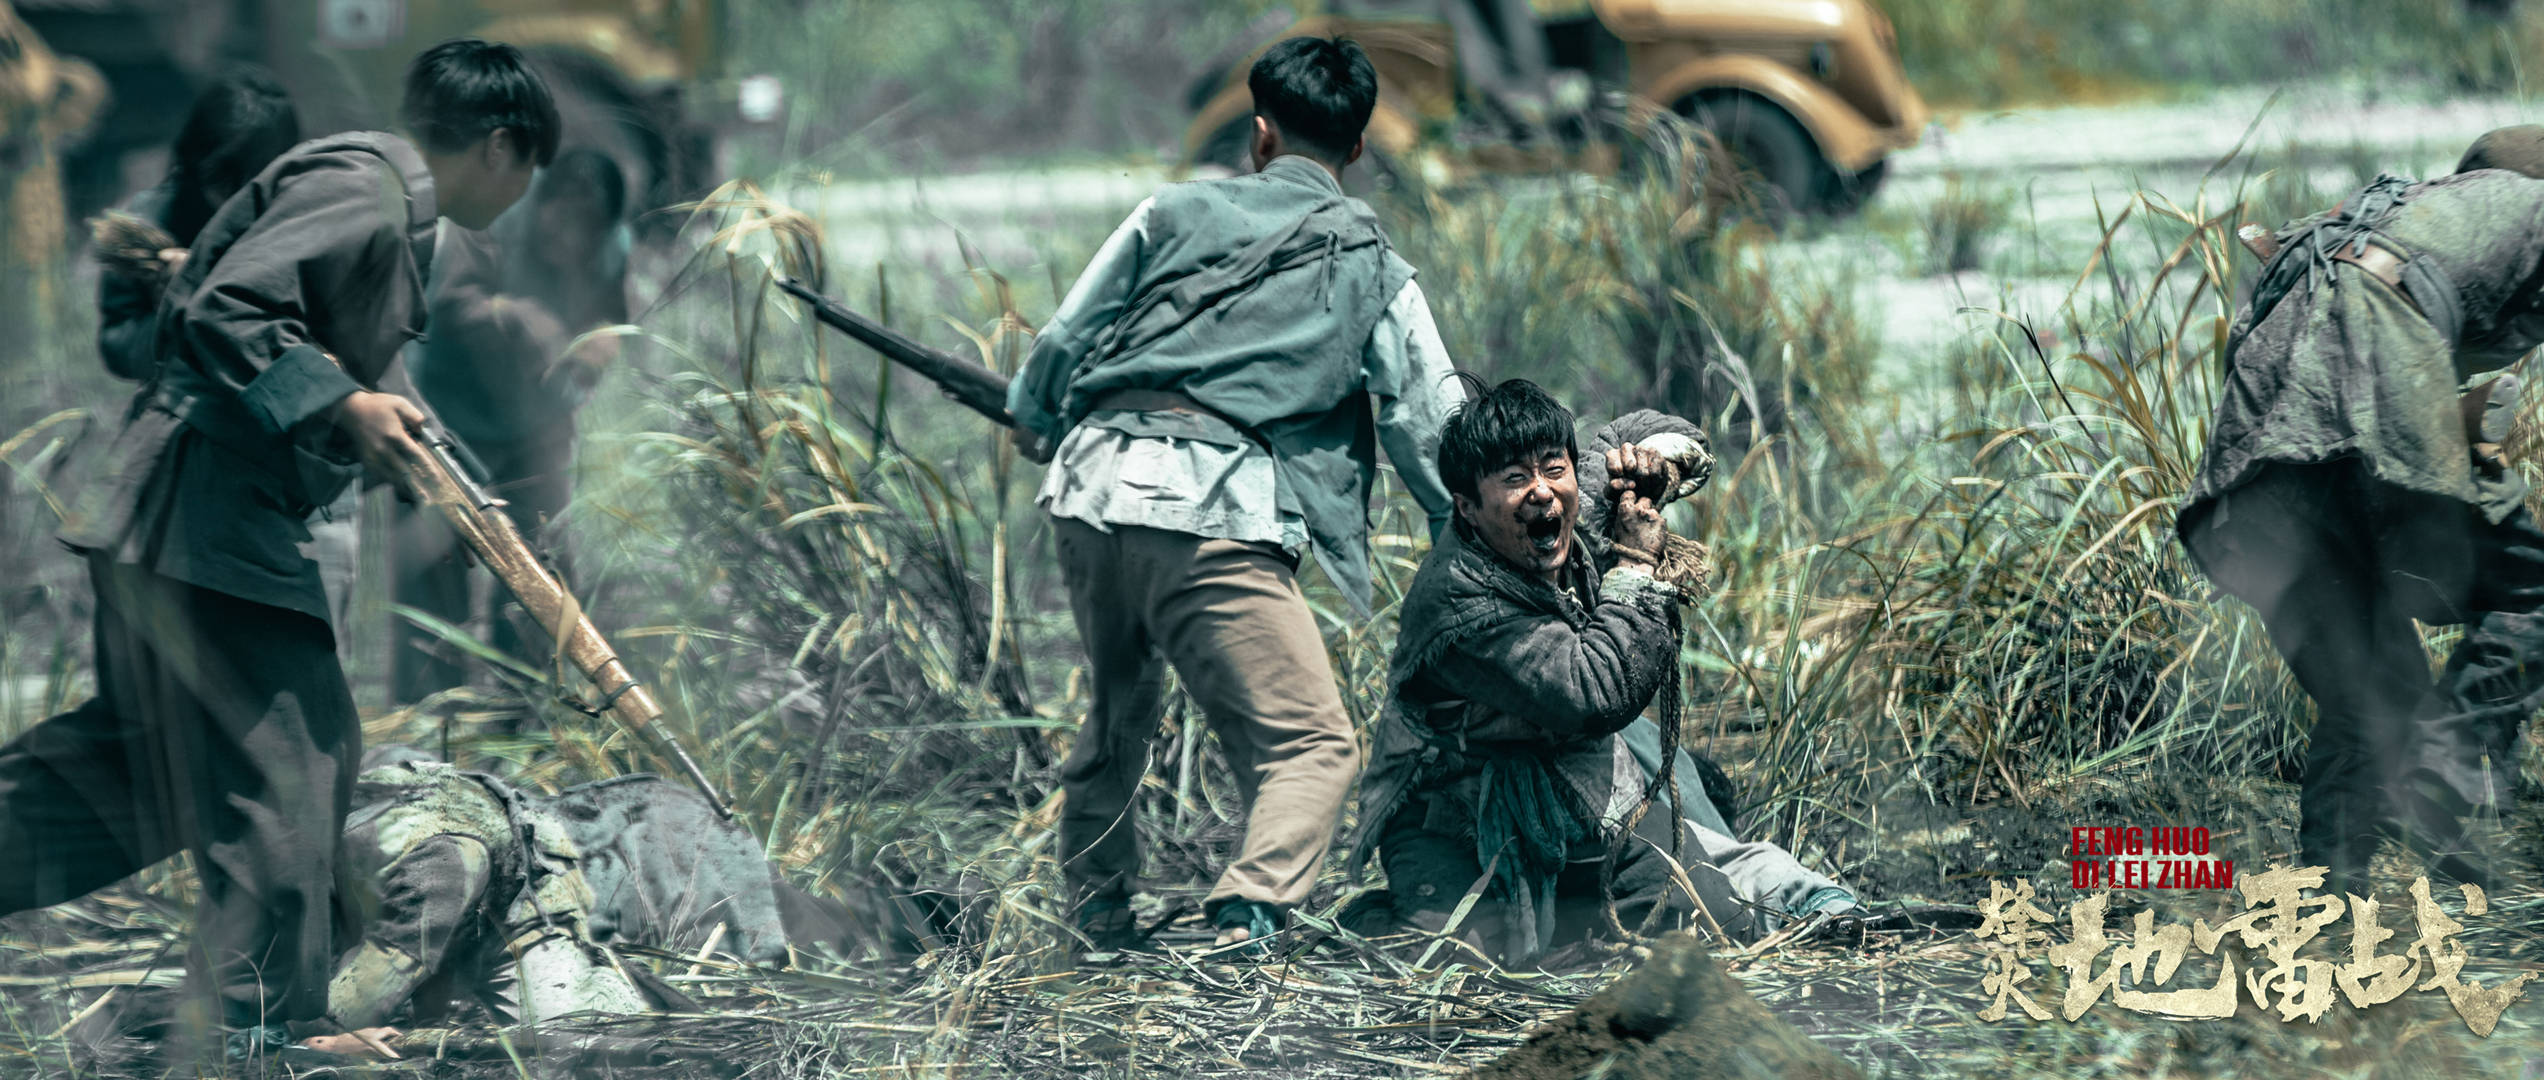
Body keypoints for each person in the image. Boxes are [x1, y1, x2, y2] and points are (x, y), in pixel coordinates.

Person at [0, 38, 557, 1067]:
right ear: (499, 145)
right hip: (207, 525)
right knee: (298, 762)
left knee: (135, 778)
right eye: (528, 173)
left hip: (171, 522)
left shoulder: (374, 198)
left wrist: (417, 455)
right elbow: (232, 310)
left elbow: (343, 363)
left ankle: (260, 1018)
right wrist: (343, 406)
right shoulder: (370, 186)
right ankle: (265, 1028)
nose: (520, 196)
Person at [1005, 35, 1461, 953]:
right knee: (1315, 746)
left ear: (1259, 135)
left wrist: (1031, 415)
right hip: (1209, 506)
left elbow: (1063, 336)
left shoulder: (1170, 209)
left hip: (1089, 489)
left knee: (1119, 714)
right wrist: (1463, 529)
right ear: (1359, 150)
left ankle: (1098, 914)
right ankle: (1248, 916)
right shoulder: (1374, 262)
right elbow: (1429, 424)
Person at [1350, 380, 1856, 966]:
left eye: (1551, 468)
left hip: (1577, 785)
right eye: (1514, 479)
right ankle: (1392, 914)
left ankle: (1813, 900)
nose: (1541, 491)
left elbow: (1661, 433)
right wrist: (1636, 563)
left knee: (1716, 919)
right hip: (1457, 817)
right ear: (1467, 506)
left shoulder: (1575, 500)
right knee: (1457, 967)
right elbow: (1594, 691)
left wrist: (1650, 464)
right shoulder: (1462, 601)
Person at [2177, 125, 2544, 896]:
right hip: (2364, 372)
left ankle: (2330, 911)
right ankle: (2440, 780)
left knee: (2370, 688)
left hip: (2260, 445)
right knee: (2530, 587)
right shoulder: (2532, 205)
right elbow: (2382, 358)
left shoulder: (2379, 220)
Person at [86, 69, 382, 651]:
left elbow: (339, 340)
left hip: (300, 457)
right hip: (190, 457)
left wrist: (224, 295)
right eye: (220, 179)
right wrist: (183, 307)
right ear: (195, 163)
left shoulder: (307, 215)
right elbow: (119, 346)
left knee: (309, 635)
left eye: (248, 181)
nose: (232, 199)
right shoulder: (152, 219)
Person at [391, 145, 633, 706]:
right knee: (435, 568)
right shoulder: (496, 217)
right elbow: (445, 304)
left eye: (588, 229)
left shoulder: (613, 245)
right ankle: (431, 720)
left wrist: (603, 338)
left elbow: (612, 310)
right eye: (564, 221)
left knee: (539, 564)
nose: (571, 241)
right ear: (544, 201)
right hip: (450, 415)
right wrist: (513, 314)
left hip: (539, 425)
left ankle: (522, 709)